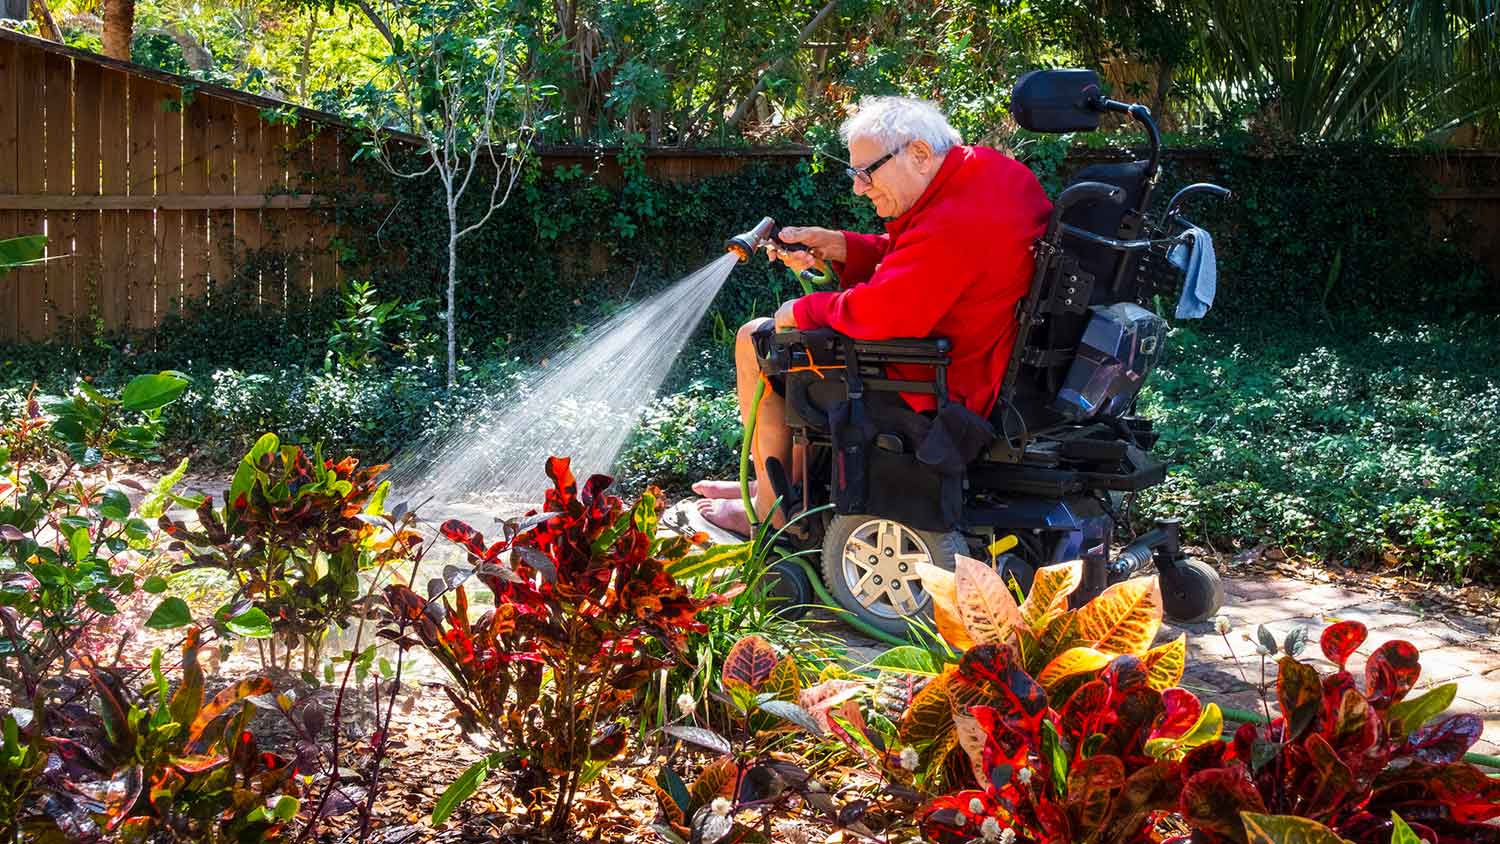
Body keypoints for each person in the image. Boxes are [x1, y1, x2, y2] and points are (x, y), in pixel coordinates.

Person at [694, 95, 1052, 535]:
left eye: (865, 173)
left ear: (919, 153)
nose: (858, 187)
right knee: (799, 353)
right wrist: (843, 246)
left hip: (935, 384)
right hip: (969, 359)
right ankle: (787, 486)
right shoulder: (991, 176)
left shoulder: (956, 218)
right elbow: (928, 266)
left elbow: (884, 314)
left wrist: (801, 309)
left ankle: (771, 511)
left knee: (758, 339)